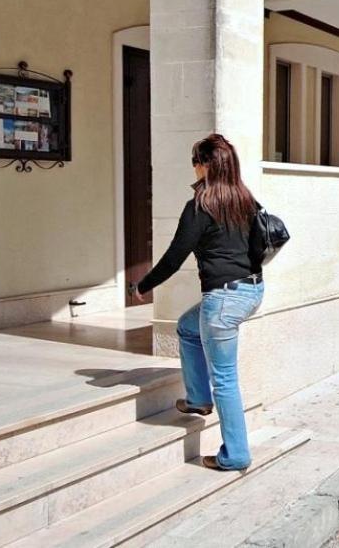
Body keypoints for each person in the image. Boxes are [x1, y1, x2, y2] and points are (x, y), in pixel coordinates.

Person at [135, 133, 266, 471]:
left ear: (206, 165)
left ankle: (235, 454)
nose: (193, 169)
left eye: (195, 161)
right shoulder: (246, 200)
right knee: (187, 327)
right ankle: (197, 399)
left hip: (223, 298)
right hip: (251, 291)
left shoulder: (201, 205)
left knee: (225, 378)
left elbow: (175, 255)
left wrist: (144, 285)